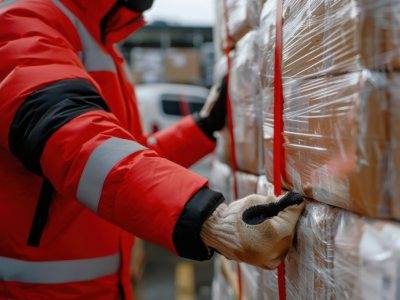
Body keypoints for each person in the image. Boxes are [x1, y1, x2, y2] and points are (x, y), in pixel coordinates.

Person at [0, 0, 305, 299]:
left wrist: (200, 127)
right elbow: (79, 143)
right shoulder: (20, 22)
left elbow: (128, 157)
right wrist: (209, 219)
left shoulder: (99, 41)